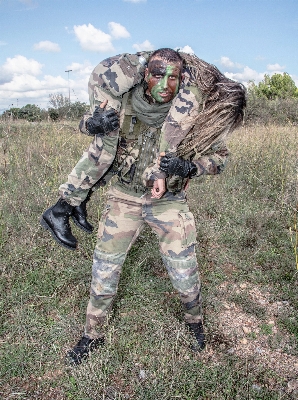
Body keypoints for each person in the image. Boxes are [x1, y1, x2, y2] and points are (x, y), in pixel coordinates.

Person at [54, 47, 246, 366]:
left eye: (173, 77)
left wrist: (190, 168)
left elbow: (220, 159)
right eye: (158, 74)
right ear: (145, 74)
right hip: (123, 198)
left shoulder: (193, 114)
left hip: (169, 201)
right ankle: (92, 334)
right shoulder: (125, 100)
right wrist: (90, 123)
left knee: (184, 271)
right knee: (104, 269)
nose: (165, 83)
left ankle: (195, 323)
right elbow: (92, 125)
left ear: (182, 79)